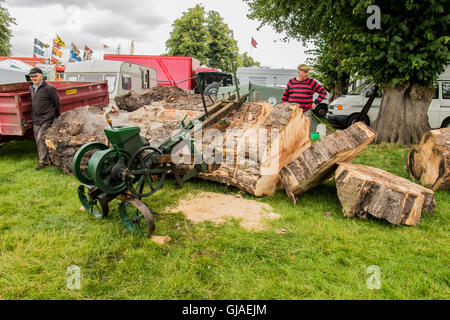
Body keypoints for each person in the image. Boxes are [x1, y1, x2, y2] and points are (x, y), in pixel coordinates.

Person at [28, 67, 61, 170]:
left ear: (41, 76)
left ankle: (43, 162)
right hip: (36, 118)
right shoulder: (31, 88)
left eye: (35, 76)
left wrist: (55, 116)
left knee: (41, 137)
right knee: (38, 140)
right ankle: (46, 159)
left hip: (48, 118)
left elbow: (57, 103)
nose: (33, 78)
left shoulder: (49, 88)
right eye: (31, 77)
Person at [281, 64, 328, 133]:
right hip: (293, 112)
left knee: (305, 132)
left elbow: (323, 92)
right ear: (299, 72)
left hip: (306, 112)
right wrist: (283, 107)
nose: (307, 74)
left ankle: (306, 144)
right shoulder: (291, 82)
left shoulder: (312, 82)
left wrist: (315, 103)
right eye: (305, 72)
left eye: (308, 72)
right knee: (292, 131)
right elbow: (285, 96)